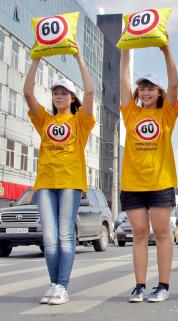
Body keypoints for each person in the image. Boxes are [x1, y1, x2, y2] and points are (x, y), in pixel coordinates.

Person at [23, 40, 95, 305]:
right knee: (50, 237)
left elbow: (89, 93)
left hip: (70, 183)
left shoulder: (80, 121)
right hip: (45, 183)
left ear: (71, 98)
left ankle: (62, 285)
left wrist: (79, 58)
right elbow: (28, 93)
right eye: (56, 93)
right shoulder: (45, 120)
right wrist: (36, 59)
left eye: (64, 93)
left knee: (65, 234)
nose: (59, 96)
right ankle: (54, 285)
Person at [119, 45, 178, 303]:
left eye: (151, 88)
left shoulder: (166, 114)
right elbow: (122, 79)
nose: (145, 92)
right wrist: (124, 49)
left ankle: (163, 285)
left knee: (162, 233)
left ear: (159, 93)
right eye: (142, 88)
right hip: (132, 183)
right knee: (140, 234)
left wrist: (167, 50)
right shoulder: (131, 112)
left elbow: (175, 83)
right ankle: (139, 285)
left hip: (160, 182)